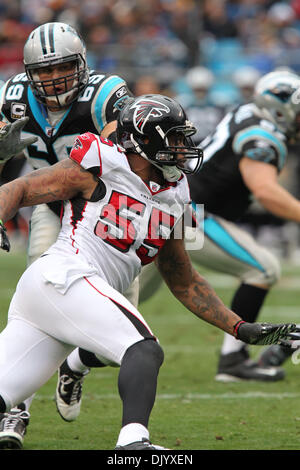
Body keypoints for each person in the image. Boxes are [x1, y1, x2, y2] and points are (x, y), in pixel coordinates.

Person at [0, 94, 297, 450]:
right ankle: (133, 444)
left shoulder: (178, 193)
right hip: (66, 274)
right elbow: (20, 188)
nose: (183, 147)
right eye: (174, 138)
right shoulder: (101, 162)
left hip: (56, 299)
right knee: (143, 349)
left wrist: (240, 328)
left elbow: (184, 280)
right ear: (144, 140)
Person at [119, 69, 300, 384]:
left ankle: (71, 348)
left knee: (126, 291)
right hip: (193, 213)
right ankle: (233, 358)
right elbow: (265, 190)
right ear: (280, 109)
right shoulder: (262, 135)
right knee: (264, 268)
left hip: (175, 208)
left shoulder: (246, 113)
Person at [0, 21, 133, 449]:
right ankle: (15, 406)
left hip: (104, 212)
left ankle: (75, 363)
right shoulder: (14, 97)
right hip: (51, 207)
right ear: (28, 73)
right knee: (38, 300)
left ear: (82, 64)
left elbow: (116, 160)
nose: (54, 78)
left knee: (122, 334)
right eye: (44, 71)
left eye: (62, 68)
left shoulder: (105, 94)